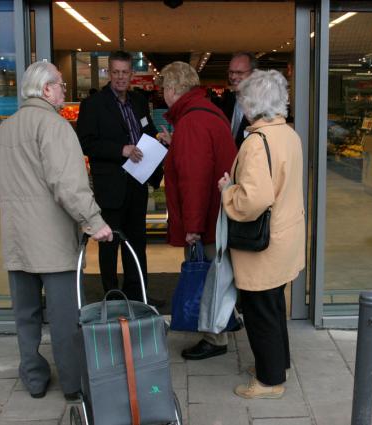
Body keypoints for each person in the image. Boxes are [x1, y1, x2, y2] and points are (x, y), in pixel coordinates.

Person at [0, 61, 113, 401]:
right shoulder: (55, 127)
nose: (64, 91)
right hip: (53, 244)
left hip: (17, 241)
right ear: (45, 89)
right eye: (60, 84)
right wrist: (95, 222)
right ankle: (73, 384)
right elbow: (68, 185)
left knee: (25, 316)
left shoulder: (7, 128)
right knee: (65, 318)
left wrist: (17, 206)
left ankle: (34, 377)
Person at [218, 70, 305, 399]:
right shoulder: (288, 134)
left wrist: (228, 191)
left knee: (259, 311)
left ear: (252, 104)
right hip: (285, 237)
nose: (240, 102)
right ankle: (277, 364)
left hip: (264, 246)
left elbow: (254, 200)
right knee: (273, 307)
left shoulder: (257, 143)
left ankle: (269, 382)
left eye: (241, 97)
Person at [158, 61, 239, 360]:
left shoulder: (191, 121)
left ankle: (214, 337)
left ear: (173, 88)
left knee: (206, 277)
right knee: (217, 274)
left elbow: (194, 178)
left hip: (205, 220)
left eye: (163, 87)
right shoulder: (206, 113)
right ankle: (220, 324)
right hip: (217, 214)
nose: (162, 94)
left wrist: (192, 225)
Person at [76, 51, 162, 304]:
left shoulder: (138, 101)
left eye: (125, 72)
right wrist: (120, 150)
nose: (121, 77)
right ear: (109, 73)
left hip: (137, 183)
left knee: (137, 243)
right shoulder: (93, 104)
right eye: (116, 72)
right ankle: (112, 297)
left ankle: (138, 296)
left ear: (131, 75)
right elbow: (85, 143)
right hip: (110, 186)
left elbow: (148, 130)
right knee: (110, 243)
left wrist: (160, 139)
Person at [216, 52, 256, 149]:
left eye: (239, 72)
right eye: (231, 72)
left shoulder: (263, 104)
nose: (233, 77)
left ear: (254, 74)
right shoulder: (228, 99)